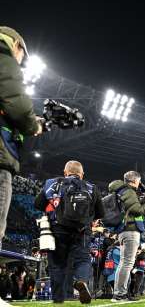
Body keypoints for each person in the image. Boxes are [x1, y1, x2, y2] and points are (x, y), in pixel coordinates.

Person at [0, 28, 42, 298]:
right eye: (21, 56)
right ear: (16, 45)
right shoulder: (4, 58)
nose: (20, 62)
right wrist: (33, 124)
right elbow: (16, 101)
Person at [34, 160, 104, 304]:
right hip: (82, 231)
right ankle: (81, 281)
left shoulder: (51, 183)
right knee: (83, 260)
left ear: (65, 172)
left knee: (57, 264)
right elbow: (100, 212)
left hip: (57, 229)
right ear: (82, 174)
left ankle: (58, 298)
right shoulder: (91, 187)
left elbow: (38, 204)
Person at [110, 171, 145, 302]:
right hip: (130, 230)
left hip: (125, 230)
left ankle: (119, 293)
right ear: (135, 181)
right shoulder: (128, 192)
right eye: (139, 181)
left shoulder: (124, 191)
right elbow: (138, 210)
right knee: (127, 263)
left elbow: (135, 210)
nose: (140, 184)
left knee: (124, 263)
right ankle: (119, 294)